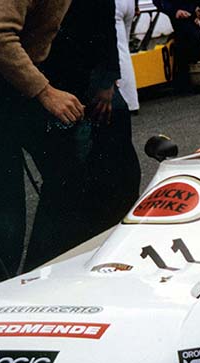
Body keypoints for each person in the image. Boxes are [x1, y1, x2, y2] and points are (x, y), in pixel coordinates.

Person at [0, 0, 85, 275]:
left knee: (69, 170)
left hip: (10, 69)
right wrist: (45, 92)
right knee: (4, 195)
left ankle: (42, 271)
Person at [28, 0, 141, 271]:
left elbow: (105, 24)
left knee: (117, 171)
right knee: (69, 178)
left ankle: (107, 245)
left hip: (89, 81)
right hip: (61, 81)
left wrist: (106, 82)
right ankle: (50, 260)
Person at [153, 0, 200, 91]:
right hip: (178, 14)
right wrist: (174, 11)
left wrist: (199, 10)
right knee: (187, 39)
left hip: (192, 12)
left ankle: (196, 77)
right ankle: (185, 80)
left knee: (196, 38)